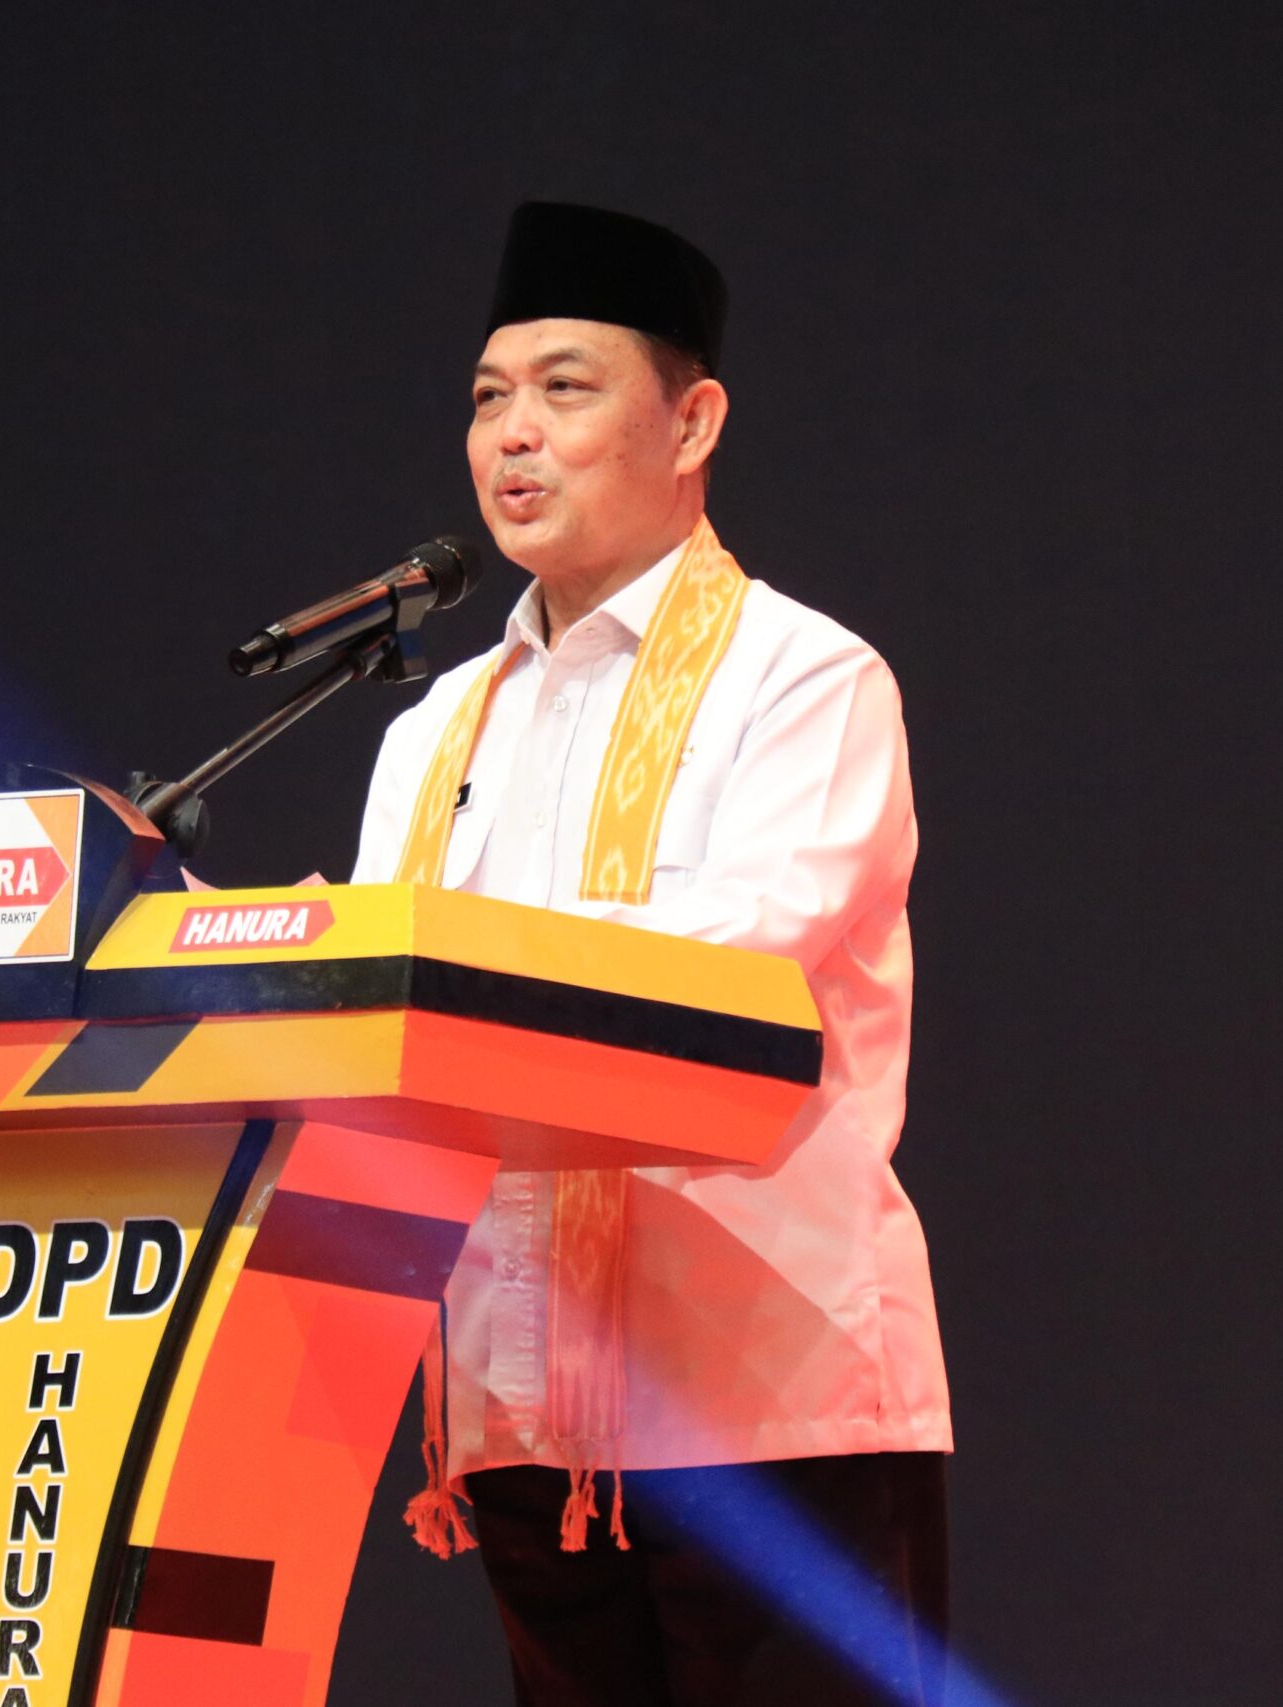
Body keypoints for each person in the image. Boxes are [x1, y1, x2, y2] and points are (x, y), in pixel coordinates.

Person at [350, 201, 953, 1707]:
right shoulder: (432, 732)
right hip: (520, 1415)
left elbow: (725, 969)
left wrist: (425, 974)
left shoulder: (804, 680)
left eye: (566, 389)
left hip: (765, 1405)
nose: (514, 435)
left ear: (692, 424)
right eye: (489, 398)